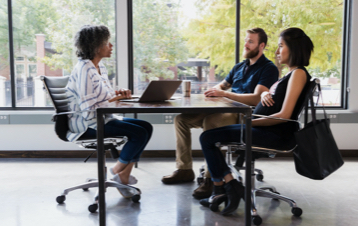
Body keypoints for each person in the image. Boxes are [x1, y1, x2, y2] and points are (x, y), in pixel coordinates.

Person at [199, 27, 314, 215]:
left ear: (293, 48)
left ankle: (227, 186)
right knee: (209, 137)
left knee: (207, 138)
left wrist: (250, 123)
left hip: (273, 133)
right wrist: (268, 93)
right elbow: (280, 96)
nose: (277, 52)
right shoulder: (290, 74)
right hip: (262, 127)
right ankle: (221, 189)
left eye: (281, 46)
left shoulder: (298, 74)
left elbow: (285, 115)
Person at [161, 28, 279, 199]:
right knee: (181, 119)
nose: (245, 44)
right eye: (246, 40)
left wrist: (224, 94)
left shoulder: (268, 69)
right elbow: (222, 86)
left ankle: (211, 179)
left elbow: (255, 99)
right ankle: (184, 169)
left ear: (262, 46)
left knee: (211, 123)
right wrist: (213, 91)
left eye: (251, 42)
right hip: (224, 107)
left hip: (241, 114)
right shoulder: (239, 67)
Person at [66, 25, 153, 198]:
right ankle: (117, 172)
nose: (111, 46)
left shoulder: (100, 68)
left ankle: (122, 176)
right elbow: (89, 106)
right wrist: (115, 100)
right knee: (139, 133)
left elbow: (101, 97)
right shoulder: (84, 69)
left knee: (146, 127)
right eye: (107, 43)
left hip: (102, 119)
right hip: (88, 123)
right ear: (96, 46)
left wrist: (117, 94)